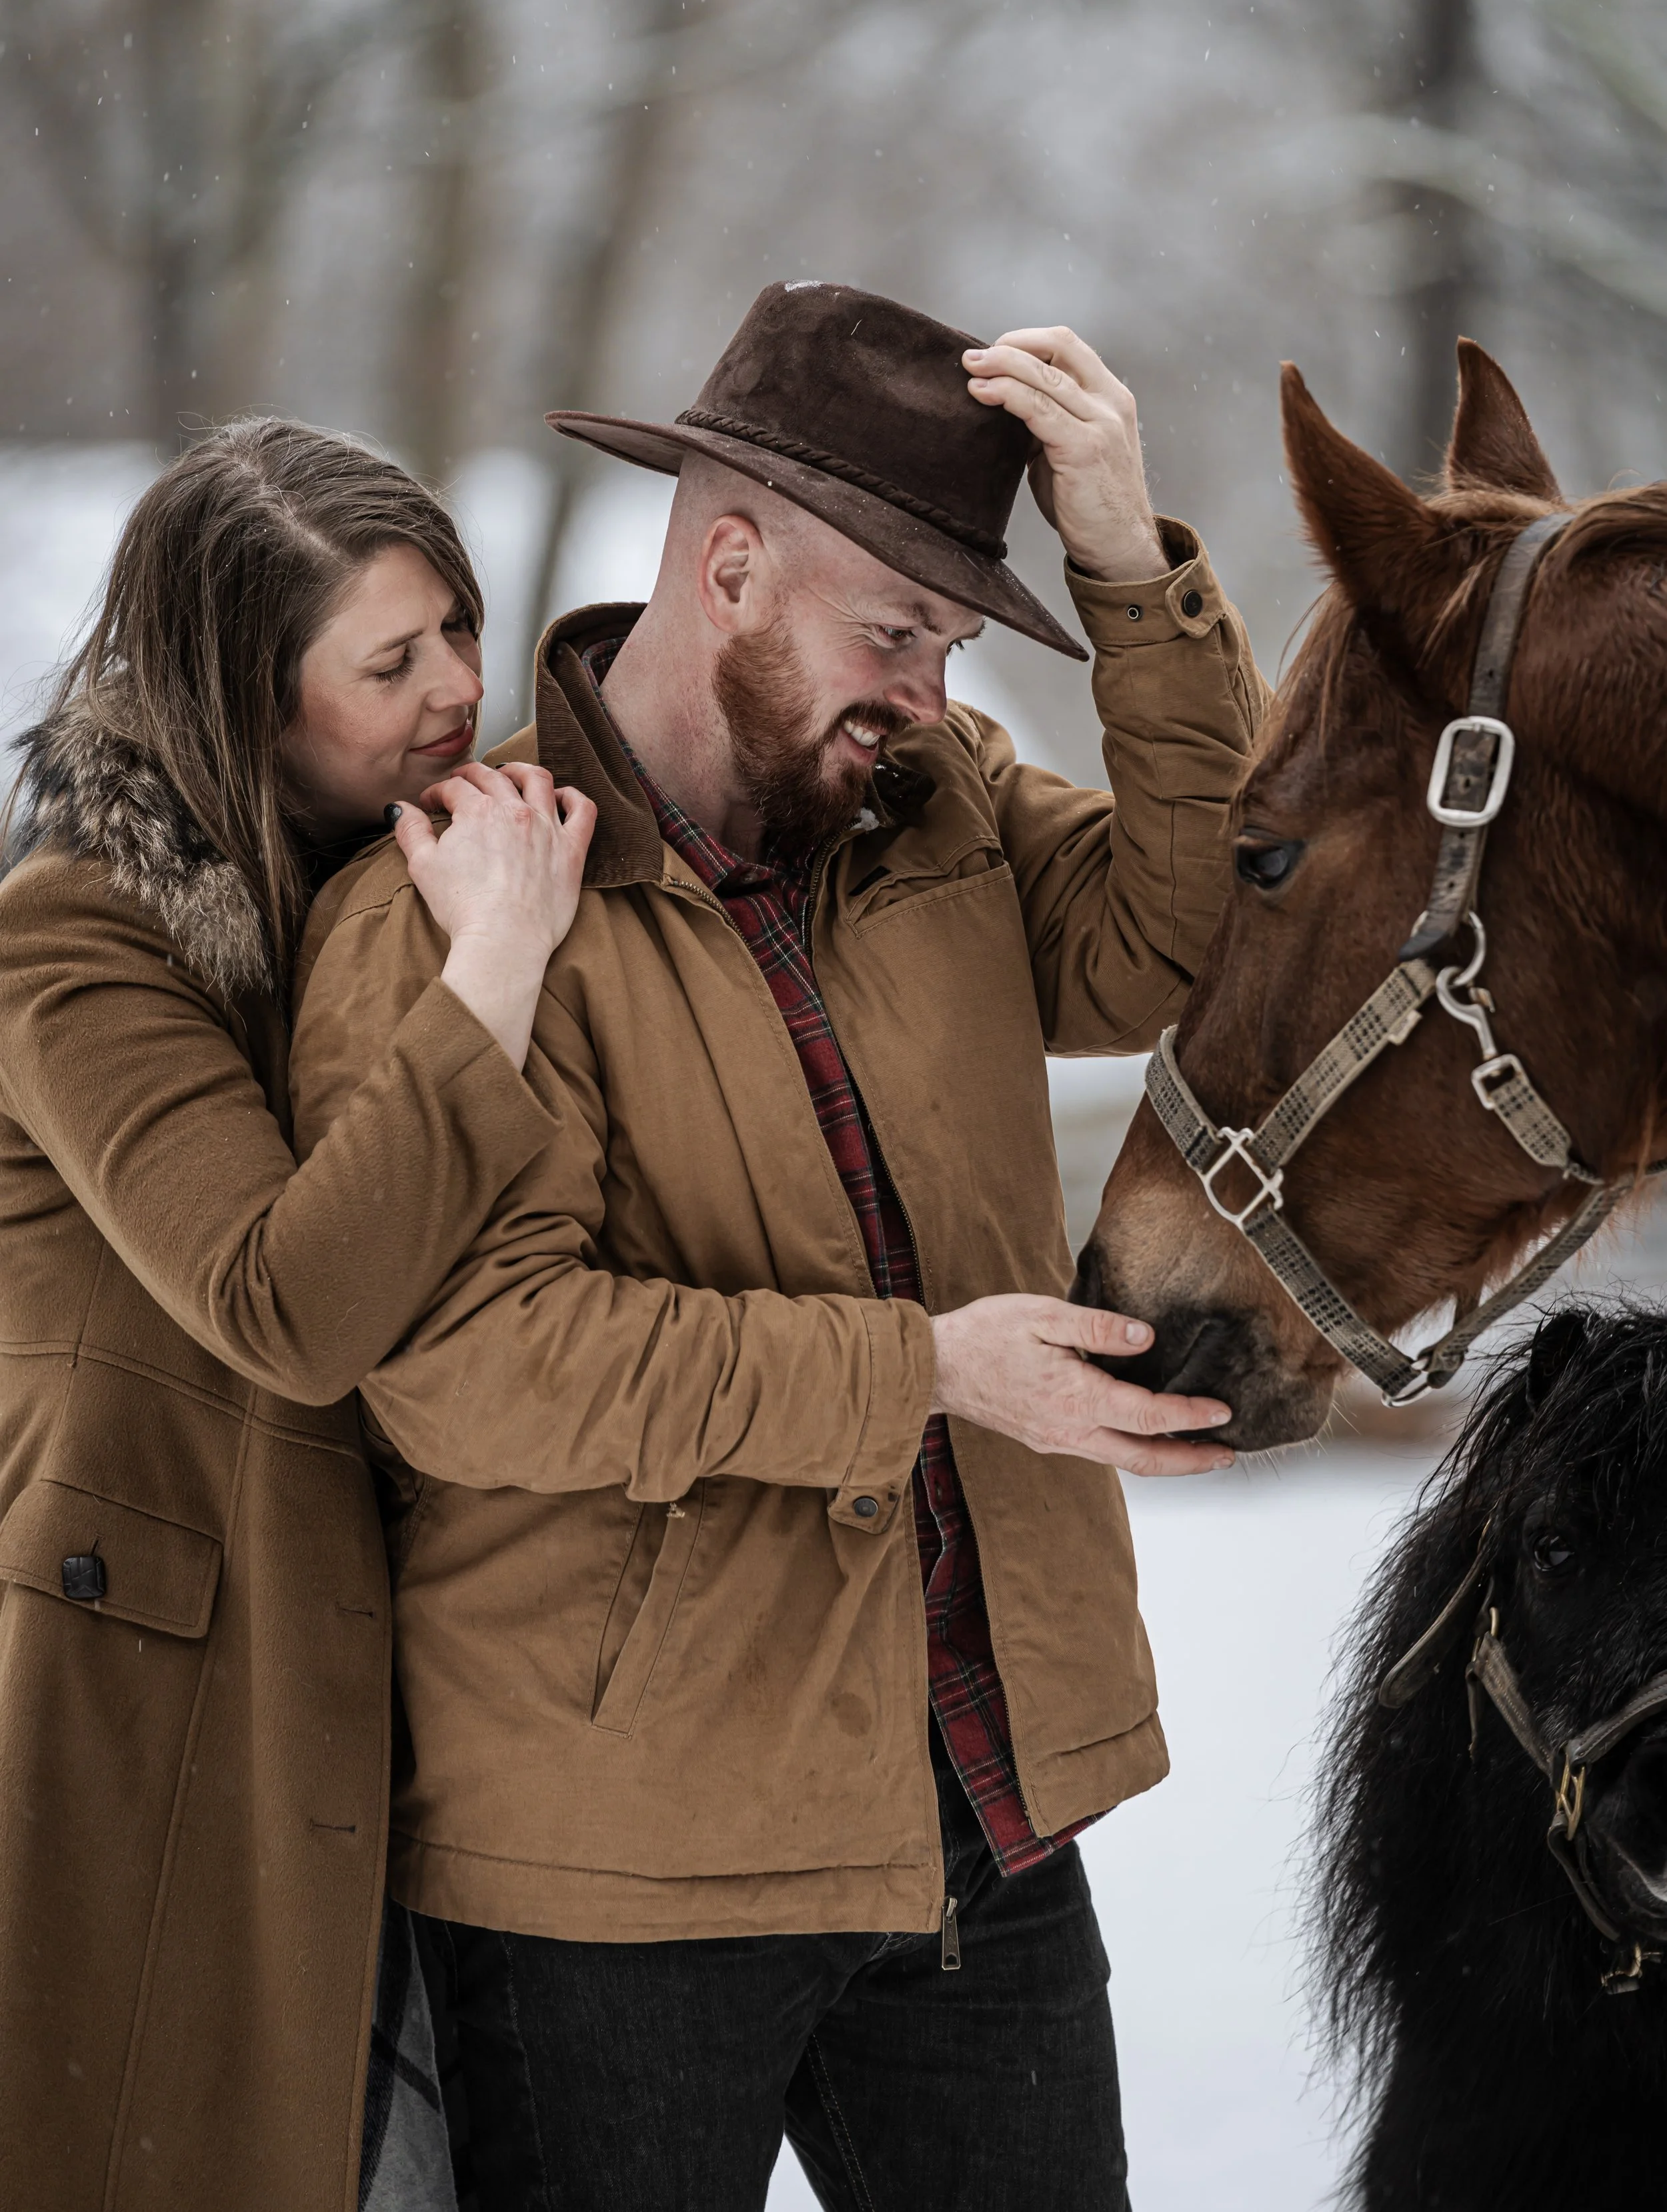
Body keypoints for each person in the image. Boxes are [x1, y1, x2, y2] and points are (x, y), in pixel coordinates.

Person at [291, 282, 1270, 2211]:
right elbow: (464, 1357)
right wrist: (922, 1371)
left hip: (971, 1824)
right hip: (617, 1867)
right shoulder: (459, 897)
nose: (929, 686)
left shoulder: (943, 810)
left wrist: (1124, 562)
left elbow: (1192, 922)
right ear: (728, 566)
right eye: (894, 629)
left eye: (952, 639)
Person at [0, 417, 595, 2212]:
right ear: (247, 703)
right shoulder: (71, 942)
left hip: (417, 1679)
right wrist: (492, 966)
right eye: (388, 659)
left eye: (461, 633)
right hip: (155, 1690)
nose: (456, 691)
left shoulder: (384, 883)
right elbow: (288, 1302)